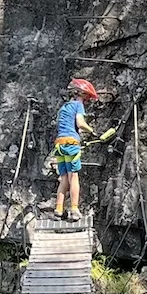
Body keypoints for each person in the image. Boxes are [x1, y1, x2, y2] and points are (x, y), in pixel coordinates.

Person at [52, 78, 113, 222]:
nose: (86, 100)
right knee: (74, 177)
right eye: (86, 97)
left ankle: (59, 210)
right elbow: (80, 123)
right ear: (81, 94)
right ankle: (74, 209)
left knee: (64, 178)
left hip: (59, 145)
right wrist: (92, 131)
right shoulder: (78, 105)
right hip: (71, 143)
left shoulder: (63, 108)